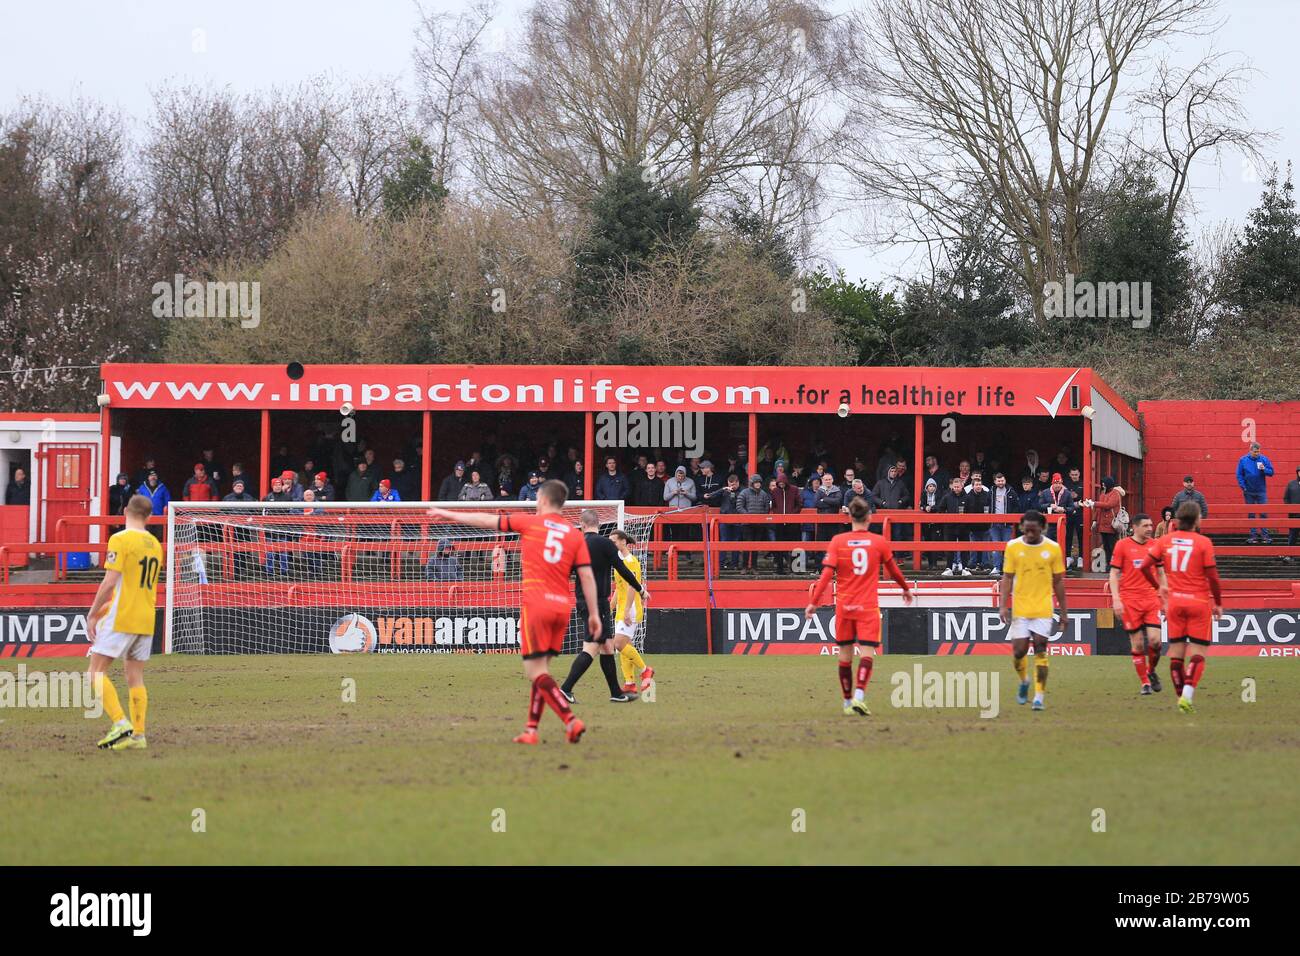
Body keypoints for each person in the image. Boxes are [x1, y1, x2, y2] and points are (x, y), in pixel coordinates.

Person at [428, 482, 600, 744]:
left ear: (541, 499)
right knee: (541, 671)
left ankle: (571, 720)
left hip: (537, 604)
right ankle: (531, 730)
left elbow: (485, 519)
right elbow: (586, 576)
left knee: (536, 672)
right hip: (561, 607)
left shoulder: (529, 523)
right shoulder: (574, 534)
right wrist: (594, 614)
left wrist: (450, 514)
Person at [805, 497, 913, 715]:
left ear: (849, 517)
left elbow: (826, 574)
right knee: (867, 652)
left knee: (844, 656)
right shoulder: (878, 542)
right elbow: (892, 570)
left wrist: (813, 602)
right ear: (870, 517)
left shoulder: (838, 541)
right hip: (867, 607)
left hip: (844, 606)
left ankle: (847, 702)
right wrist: (905, 588)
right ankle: (860, 696)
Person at [85, 494, 161, 751]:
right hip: (147, 617)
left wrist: (93, 613)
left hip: (123, 615)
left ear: (125, 510)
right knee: (134, 677)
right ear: (149, 517)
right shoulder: (155, 544)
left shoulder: (120, 539)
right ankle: (138, 735)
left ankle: (119, 722)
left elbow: (110, 582)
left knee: (95, 671)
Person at [1137, 501, 1221, 714]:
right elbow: (1213, 577)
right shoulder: (1203, 542)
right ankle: (1187, 696)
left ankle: (1180, 697)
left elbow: (1145, 566)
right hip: (1199, 603)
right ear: (1196, 519)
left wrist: (1158, 587)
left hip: (1174, 603)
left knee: (1176, 654)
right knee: (1198, 653)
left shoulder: (1165, 541)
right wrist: (1218, 603)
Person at [560, 510, 650, 704]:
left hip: (584, 601)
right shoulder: (606, 544)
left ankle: (616, 693)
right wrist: (641, 590)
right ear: (598, 524)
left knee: (607, 647)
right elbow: (623, 570)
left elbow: (564, 572)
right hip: (597, 603)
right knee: (592, 648)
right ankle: (565, 689)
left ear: (582, 525)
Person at [999, 510, 1067, 711]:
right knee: (1019, 652)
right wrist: (1003, 605)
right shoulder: (1013, 547)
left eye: (1033, 531)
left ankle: (1039, 697)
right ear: (1021, 528)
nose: (1029, 534)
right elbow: (1007, 577)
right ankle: (1024, 681)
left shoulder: (1053, 549)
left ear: (1042, 529)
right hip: (1020, 608)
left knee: (1040, 647)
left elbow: (1058, 581)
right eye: (1026, 530)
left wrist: (1064, 612)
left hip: (1043, 607)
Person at [1108, 513, 1168, 696]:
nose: (1150, 528)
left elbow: (1161, 572)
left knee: (1155, 641)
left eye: (1151, 525)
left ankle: (1151, 671)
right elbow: (1114, 574)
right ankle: (1144, 683)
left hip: (1151, 599)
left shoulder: (1155, 545)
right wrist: (1116, 599)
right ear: (1135, 527)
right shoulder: (1122, 546)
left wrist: (1164, 593)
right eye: (1146, 526)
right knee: (1138, 644)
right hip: (1130, 600)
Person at [610, 529, 654, 695]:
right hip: (622, 608)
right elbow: (619, 587)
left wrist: (627, 610)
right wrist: (611, 606)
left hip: (631, 609)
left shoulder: (631, 561)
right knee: (623, 646)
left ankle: (645, 670)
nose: (611, 545)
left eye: (613, 542)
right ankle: (629, 683)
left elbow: (631, 586)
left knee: (619, 644)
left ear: (623, 542)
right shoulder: (618, 561)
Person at [1236, 442, 1274, 543]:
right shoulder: (1243, 460)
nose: (1257, 453)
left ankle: (1265, 536)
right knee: (1251, 514)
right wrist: (1243, 486)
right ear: (1250, 450)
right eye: (1255, 451)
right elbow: (1239, 474)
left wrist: (1264, 469)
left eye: (1258, 451)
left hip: (1261, 491)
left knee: (1263, 513)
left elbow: (1271, 472)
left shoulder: (1263, 459)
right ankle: (1253, 536)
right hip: (1248, 491)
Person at [737, 473, 773, 572]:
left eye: (759, 482)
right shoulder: (744, 493)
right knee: (746, 546)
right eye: (756, 482)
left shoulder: (764, 494)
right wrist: (748, 516)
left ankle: (754, 567)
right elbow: (739, 506)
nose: (758, 484)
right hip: (747, 524)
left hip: (759, 524)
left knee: (755, 547)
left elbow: (767, 507)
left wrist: (761, 518)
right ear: (752, 483)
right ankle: (744, 567)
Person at [987, 473, 1017, 576]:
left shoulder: (1011, 491)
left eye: (1002, 480)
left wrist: (1011, 517)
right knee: (996, 546)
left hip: (1007, 524)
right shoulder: (991, 492)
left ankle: (1007, 567)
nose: (1001, 482)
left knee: (1007, 546)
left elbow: (1016, 507)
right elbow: (986, 504)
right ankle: (996, 567)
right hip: (994, 523)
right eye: (998, 481)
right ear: (995, 482)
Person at [938, 476, 969, 576]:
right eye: (954, 487)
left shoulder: (967, 497)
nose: (956, 488)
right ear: (952, 486)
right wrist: (946, 517)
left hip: (963, 526)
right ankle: (948, 568)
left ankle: (965, 568)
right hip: (950, 526)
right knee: (949, 548)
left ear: (962, 486)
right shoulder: (947, 497)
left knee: (965, 548)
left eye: (958, 487)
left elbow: (971, 510)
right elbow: (940, 508)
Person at [1092, 476, 1125, 564]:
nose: (1103, 486)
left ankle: (1114, 563)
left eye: (1104, 484)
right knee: (1106, 546)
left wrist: (1094, 503)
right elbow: (1099, 509)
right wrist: (1094, 520)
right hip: (1102, 524)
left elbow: (1109, 505)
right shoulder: (1102, 494)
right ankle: (1108, 563)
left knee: (1112, 545)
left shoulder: (1115, 493)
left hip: (1111, 524)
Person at [963, 471, 991, 572]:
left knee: (985, 546)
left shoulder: (987, 495)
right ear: (973, 485)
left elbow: (990, 508)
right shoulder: (968, 496)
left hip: (985, 525)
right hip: (972, 526)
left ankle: (986, 564)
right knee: (973, 546)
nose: (978, 486)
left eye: (980, 484)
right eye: (976, 485)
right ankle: (972, 564)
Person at [1285, 466, 1300, 563]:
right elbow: (1286, 498)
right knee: (1292, 536)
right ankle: (1290, 555)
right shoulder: (1291, 484)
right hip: (1294, 516)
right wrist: (1290, 509)